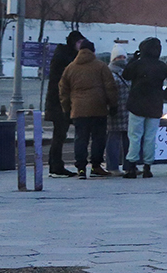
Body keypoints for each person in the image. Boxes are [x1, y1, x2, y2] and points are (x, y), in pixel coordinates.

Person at [58, 39, 118, 178]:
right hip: (98, 108)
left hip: (78, 110)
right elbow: (111, 88)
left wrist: (67, 109)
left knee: (81, 139)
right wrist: (113, 105)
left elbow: (63, 91)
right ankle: (96, 167)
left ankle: (81, 168)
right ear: (93, 51)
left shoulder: (70, 68)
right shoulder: (101, 66)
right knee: (98, 139)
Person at [120, 37, 167, 178]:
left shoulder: (137, 64)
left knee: (134, 136)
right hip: (154, 105)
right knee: (150, 137)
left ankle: (131, 166)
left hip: (137, 104)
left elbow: (126, 75)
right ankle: (147, 167)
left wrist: (133, 60)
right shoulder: (162, 66)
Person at [44, 30, 86, 178]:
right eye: (79, 42)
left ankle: (55, 165)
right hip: (59, 103)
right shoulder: (65, 57)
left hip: (60, 102)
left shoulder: (63, 55)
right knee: (59, 135)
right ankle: (55, 166)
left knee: (60, 135)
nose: (81, 45)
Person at [105, 46, 132, 173]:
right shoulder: (109, 72)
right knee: (113, 139)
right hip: (114, 110)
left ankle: (128, 165)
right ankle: (112, 167)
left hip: (127, 110)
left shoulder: (128, 72)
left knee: (128, 140)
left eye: (123, 57)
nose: (122, 60)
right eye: (119, 57)